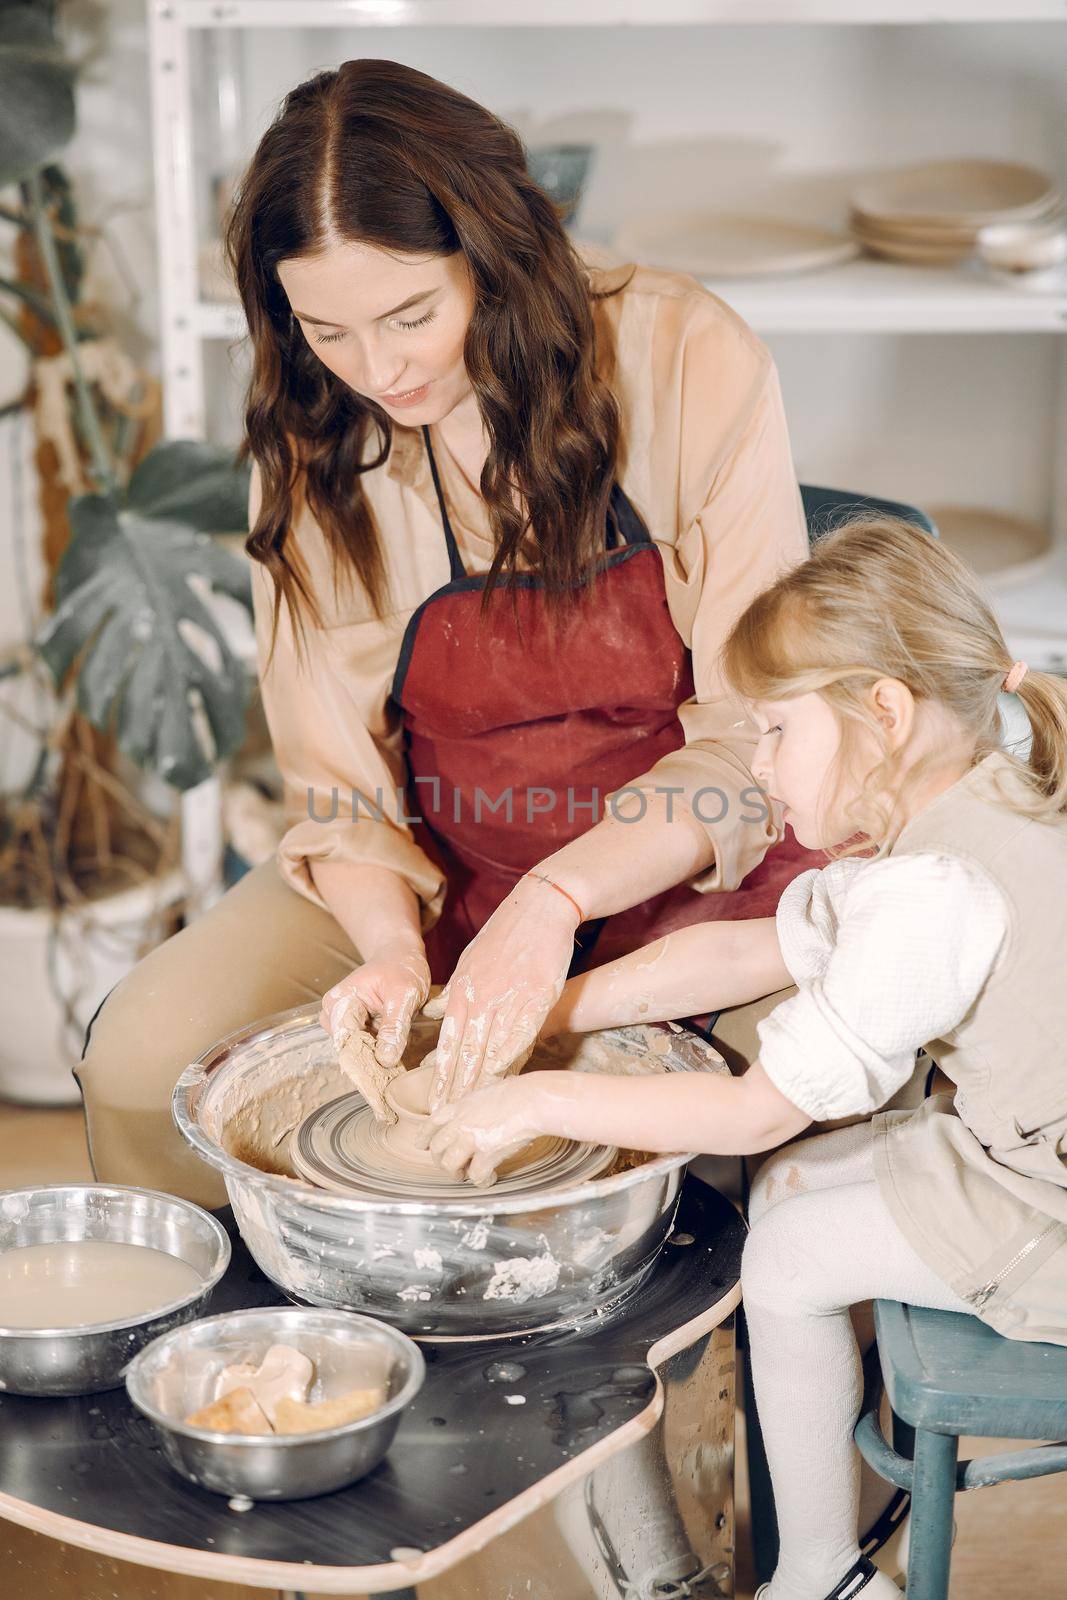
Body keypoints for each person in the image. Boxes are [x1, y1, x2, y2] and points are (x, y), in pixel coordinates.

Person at [75, 57, 826, 1201]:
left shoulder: (685, 357)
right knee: (139, 1056)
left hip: (691, 856)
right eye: (324, 328)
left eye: (410, 314)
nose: (377, 369)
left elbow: (752, 739)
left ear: (494, 253)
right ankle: (241, 1350)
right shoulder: (315, 433)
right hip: (440, 865)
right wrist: (385, 947)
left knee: (796, 1094)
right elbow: (338, 789)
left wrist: (554, 901)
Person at [428, 516, 1067, 1600]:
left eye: (773, 731)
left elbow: (747, 1113)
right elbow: (744, 948)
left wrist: (528, 1098)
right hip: (1024, 1147)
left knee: (785, 1259)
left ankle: (821, 1575)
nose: (755, 764)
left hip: (1048, 1200)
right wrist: (544, 1008)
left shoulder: (929, 896)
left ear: (883, 714)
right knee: (794, 1188)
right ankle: (840, 1507)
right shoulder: (975, 785)